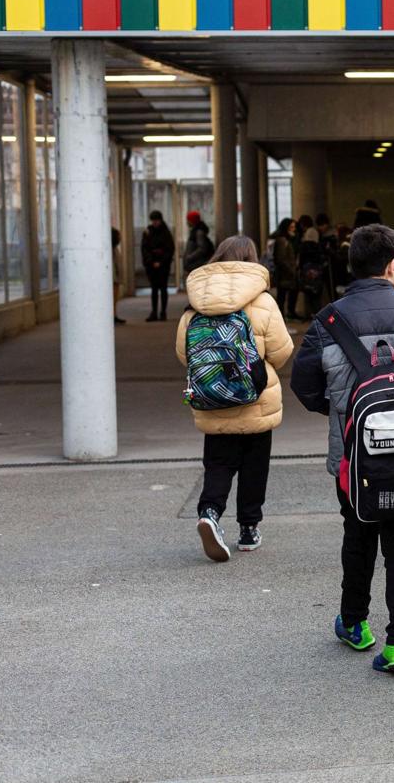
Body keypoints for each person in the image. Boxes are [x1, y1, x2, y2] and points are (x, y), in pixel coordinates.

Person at [290, 224, 394, 674]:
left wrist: (345, 411)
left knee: (358, 532)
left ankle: (355, 624)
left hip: (353, 457)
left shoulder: (327, 321)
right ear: (392, 265)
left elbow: (304, 386)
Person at [175, 236, 294, 562]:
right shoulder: (263, 302)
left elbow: (185, 353)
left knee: (218, 463)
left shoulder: (195, 304)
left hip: (212, 400)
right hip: (255, 398)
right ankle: (248, 528)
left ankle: (210, 512)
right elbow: (282, 352)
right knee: (255, 465)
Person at [141, 210, 175, 322]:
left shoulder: (166, 232)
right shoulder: (148, 232)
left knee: (163, 288)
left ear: (160, 220)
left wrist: (161, 262)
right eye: (153, 220)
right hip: (151, 265)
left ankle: (163, 312)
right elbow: (144, 248)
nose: (155, 222)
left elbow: (169, 249)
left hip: (163, 265)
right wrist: (151, 261)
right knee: (154, 289)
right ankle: (154, 312)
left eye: (157, 220)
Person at [272, 218, 300, 319]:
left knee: (284, 295)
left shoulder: (288, 240)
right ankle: (283, 316)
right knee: (282, 296)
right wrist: (292, 270)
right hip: (285, 273)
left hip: (287, 273)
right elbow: (281, 258)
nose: (294, 229)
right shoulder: (283, 240)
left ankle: (285, 315)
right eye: (291, 227)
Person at [297, 226, 326, 319]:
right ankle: (317, 313)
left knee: (308, 293)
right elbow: (322, 259)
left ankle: (308, 314)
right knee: (316, 294)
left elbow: (301, 261)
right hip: (317, 273)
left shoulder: (303, 246)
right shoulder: (318, 246)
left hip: (306, 273)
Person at [182, 210, 215, 277]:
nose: (187, 222)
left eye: (188, 220)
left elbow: (202, 249)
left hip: (195, 265)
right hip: (193, 265)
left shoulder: (198, 233)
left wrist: (189, 257)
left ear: (193, 221)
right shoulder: (196, 231)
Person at [111, 227, 126, 326]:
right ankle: (112, 317)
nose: (120, 238)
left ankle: (114, 316)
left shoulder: (114, 249)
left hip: (115, 278)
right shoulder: (110, 250)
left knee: (114, 299)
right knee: (112, 299)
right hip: (112, 279)